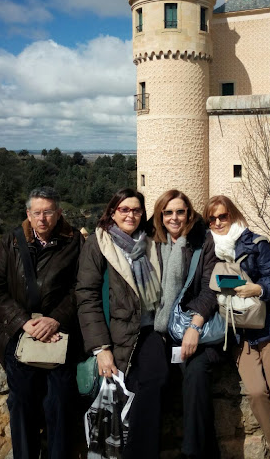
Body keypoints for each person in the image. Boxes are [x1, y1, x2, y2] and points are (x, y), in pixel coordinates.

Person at [203, 195, 270, 459]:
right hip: (237, 332)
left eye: (222, 216)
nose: (217, 222)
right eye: (211, 218)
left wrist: (258, 288)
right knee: (256, 392)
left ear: (233, 215)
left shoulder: (255, 243)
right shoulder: (206, 251)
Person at [0, 186, 84, 459]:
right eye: (37, 213)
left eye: (48, 212)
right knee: (21, 399)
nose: (43, 219)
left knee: (61, 399)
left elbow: (82, 288)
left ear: (59, 213)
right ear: (28, 214)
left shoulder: (74, 242)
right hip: (17, 333)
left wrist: (56, 319)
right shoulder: (11, 242)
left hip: (59, 333)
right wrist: (23, 323)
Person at [76, 188, 167, 459]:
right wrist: (100, 348)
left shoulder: (150, 242)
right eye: (124, 209)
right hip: (113, 334)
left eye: (136, 210)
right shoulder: (98, 243)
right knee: (130, 390)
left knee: (156, 382)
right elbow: (87, 296)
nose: (131, 215)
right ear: (113, 212)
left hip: (148, 329)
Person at [152, 189, 220, 459]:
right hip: (161, 330)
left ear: (189, 214)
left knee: (195, 374)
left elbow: (210, 288)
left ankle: (193, 452)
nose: (174, 217)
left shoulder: (203, 243)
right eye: (168, 212)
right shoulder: (154, 244)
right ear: (160, 216)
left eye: (180, 211)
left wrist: (194, 326)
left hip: (197, 329)